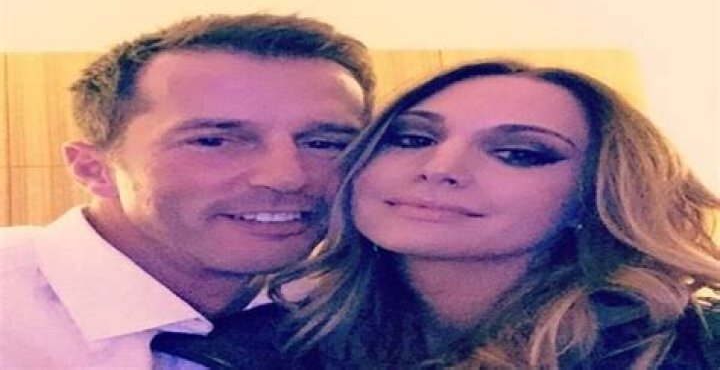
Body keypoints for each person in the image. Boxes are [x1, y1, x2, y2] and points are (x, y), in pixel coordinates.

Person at [153, 60, 720, 369]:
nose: (440, 168)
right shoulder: (258, 349)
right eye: (411, 138)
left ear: (592, 196)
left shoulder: (687, 346)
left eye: (519, 153)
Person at [0, 13, 375, 368]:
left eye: (325, 144)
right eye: (213, 141)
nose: (286, 177)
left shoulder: (355, 306)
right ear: (93, 169)